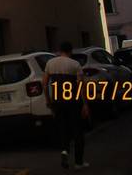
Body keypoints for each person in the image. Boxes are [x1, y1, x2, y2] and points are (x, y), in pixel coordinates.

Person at [43, 41, 90, 170]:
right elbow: (81, 86)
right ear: (71, 51)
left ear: (59, 50)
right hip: (73, 102)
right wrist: (85, 104)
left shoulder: (50, 63)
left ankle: (64, 150)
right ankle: (79, 162)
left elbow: (45, 84)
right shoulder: (75, 64)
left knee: (63, 128)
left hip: (57, 101)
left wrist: (48, 100)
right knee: (77, 130)